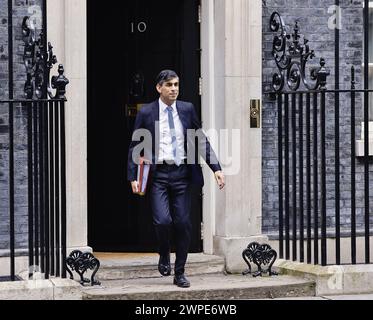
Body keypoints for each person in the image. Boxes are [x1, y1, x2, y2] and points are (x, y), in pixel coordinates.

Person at [127, 70, 225, 288]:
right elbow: (136, 145)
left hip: (182, 174)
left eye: (176, 85)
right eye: (169, 85)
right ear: (159, 88)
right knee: (162, 221)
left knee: (183, 223)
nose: (174, 89)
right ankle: (164, 252)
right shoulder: (147, 112)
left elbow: (201, 140)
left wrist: (216, 168)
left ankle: (179, 272)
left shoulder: (187, 109)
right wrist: (132, 175)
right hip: (158, 175)